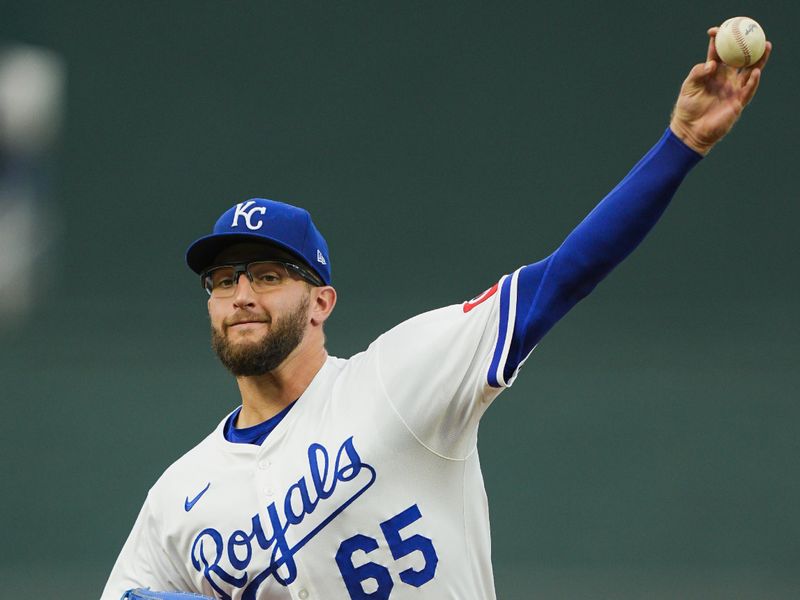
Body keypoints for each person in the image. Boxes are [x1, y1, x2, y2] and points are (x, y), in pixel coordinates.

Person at [102, 28, 771, 600]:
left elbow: (561, 279)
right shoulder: (180, 495)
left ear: (321, 302)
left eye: (270, 275)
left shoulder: (397, 380)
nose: (242, 294)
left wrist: (681, 143)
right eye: (223, 279)